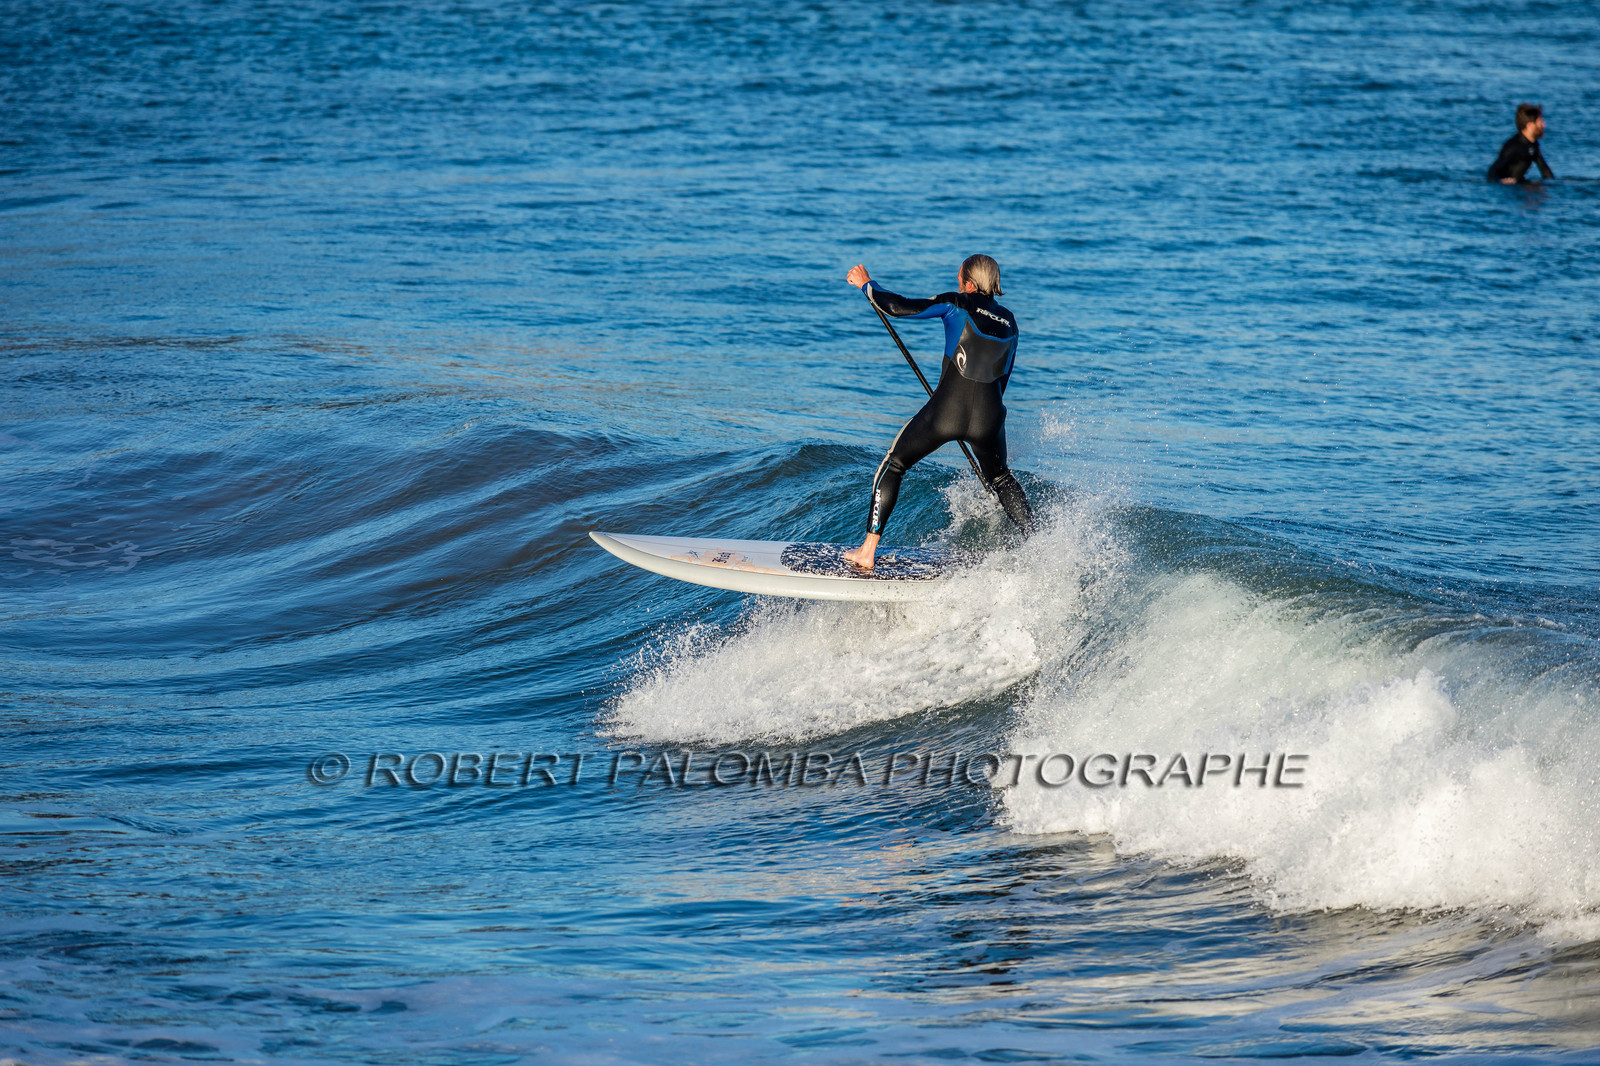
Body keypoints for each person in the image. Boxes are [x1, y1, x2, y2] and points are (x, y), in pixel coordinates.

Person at [841, 255, 1036, 571]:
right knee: (1001, 478)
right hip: (989, 419)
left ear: (968, 282)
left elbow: (898, 307)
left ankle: (867, 551)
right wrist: (982, 419)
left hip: (946, 412)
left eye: (960, 277)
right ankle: (1038, 545)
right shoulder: (1010, 322)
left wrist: (866, 285)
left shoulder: (957, 303)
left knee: (894, 464)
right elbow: (1004, 378)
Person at [1486, 103, 1554, 184]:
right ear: (1530, 126)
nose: (1544, 125)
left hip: (1521, 183)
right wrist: (1499, 181)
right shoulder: (1513, 146)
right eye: (1540, 122)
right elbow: (1492, 171)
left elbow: (1545, 172)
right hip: (1509, 190)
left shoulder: (1533, 145)